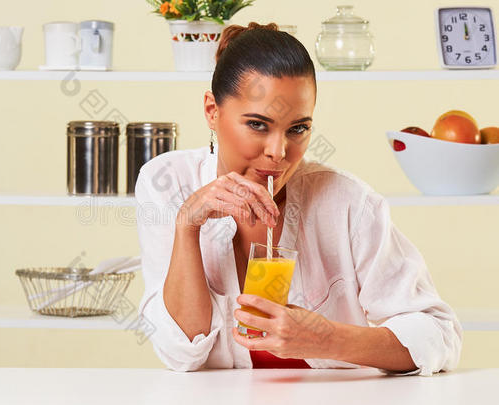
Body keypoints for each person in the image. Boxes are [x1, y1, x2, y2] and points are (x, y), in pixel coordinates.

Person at [134, 22, 462, 376]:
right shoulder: (167, 184)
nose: (278, 152)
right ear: (212, 111)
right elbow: (180, 353)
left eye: (297, 129)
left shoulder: (348, 202)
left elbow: (439, 335)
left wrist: (324, 338)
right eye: (258, 124)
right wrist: (187, 225)